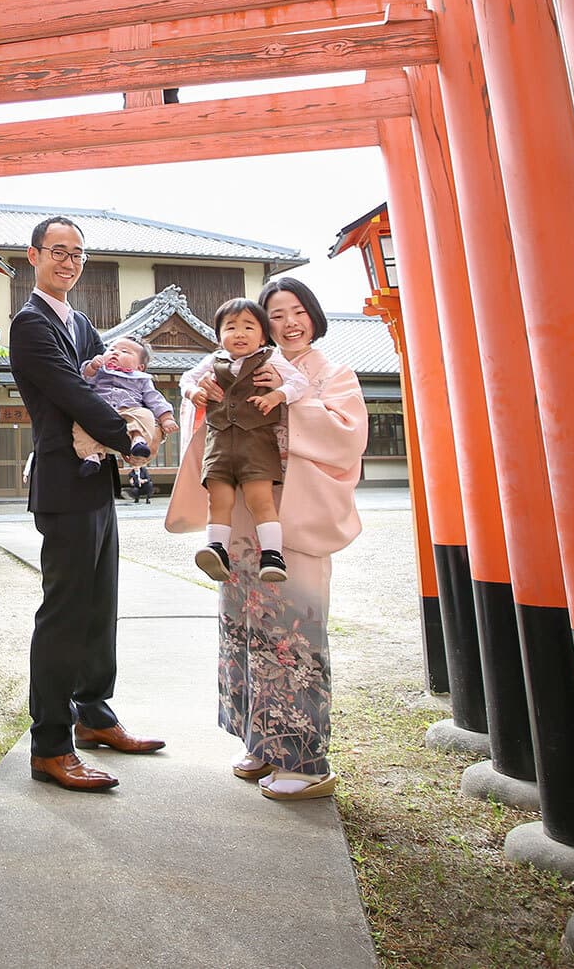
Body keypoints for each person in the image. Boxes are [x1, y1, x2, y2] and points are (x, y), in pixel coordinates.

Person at [169, 276, 366, 801]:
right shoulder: (246, 363)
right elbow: (200, 399)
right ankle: (259, 741)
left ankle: (305, 762)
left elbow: (347, 435)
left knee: (293, 637)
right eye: (276, 315)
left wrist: (283, 402)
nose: (289, 323)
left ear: (314, 315)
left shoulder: (333, 374)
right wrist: (203, 393)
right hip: (242, 527)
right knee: (244, 629)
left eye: (298, 311)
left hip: (294, 523)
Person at [8, 215, 165, 792]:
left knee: (101, 606)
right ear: (34, 256)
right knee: (65, 614)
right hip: (62, 484)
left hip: (95, 482)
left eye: (78, 253)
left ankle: (94, 713)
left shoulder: (81, 324)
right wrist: (133, 440)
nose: (69, 261)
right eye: (58, 251)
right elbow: (73, 394)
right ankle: (50, 744)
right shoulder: (29, 325)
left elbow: (117, 382)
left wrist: (153, 414)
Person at [191, 298, 308, 587]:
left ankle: (272, 556)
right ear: (218, 335)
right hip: (218, 442)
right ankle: (216, 549)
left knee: (260, 499)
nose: (239, 333)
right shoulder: (212, 361)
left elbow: (299, 383)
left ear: (263, 335)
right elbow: (186, 379)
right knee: (219, 498)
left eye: (248, 327)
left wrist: (276, 395)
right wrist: (193, 391)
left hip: (256, 441)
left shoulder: (270, 358)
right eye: (230, 327)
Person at [72, 336, 179, 477]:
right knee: (80, 423)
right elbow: (83, 380)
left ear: (140, 367)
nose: (115, 353)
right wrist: (92, 367)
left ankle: (138, 439)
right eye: (111, 349)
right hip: (100, 411)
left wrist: (167, 418)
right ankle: (91, 456)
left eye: (124, 351)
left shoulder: (141, 379)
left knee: (145, 415)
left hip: (129, 411)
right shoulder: (100, 372)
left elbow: (155, 399)